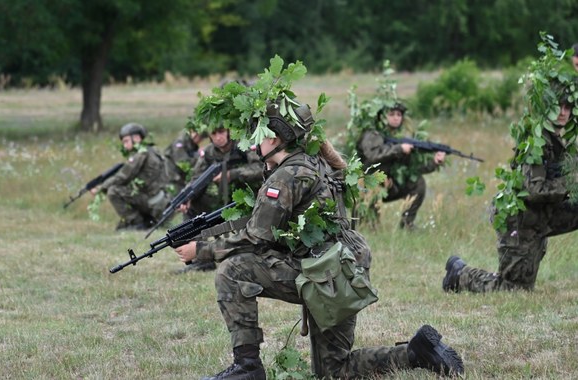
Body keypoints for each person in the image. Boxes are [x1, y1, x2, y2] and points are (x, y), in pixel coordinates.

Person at [174, 100, 464, 379]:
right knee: (334, 370)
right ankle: (417, 353)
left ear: (276, 139)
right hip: (340, 268)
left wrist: (201, 251)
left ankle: (247, 367)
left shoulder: (287, 176)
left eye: (261, 134)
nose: (255, 141)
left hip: (325, 273)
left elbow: (256, 236)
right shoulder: (316, 162)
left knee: (231, 271)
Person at [443, 80, 578, 294]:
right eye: (557, 106)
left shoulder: (563, 139)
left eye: (567, 107)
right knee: (514, 289)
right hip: (518, 220)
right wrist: (572, 183)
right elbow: (534, 190)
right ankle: (460, 275)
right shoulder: (535, 141)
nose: (563, 112)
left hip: (541, 217)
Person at [176, 126, 263, 272]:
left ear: (229, 131)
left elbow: (261, 167)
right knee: (192, 207)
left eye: (221, 132)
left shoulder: (243, 145)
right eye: (214, 133)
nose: (218, 137)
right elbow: (197, 178)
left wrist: (233, 174)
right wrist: (188, 197)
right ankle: (201, 259)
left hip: (247, 199)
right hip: (221, 199)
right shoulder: (209, 152)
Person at [356, 103, 446, 229]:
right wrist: (399, 149)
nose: (396, 117)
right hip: (367, 185)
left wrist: (435, 162)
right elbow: (373, 155)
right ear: (382, 117)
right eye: (391, 114)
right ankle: (367, 225)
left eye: (399, 114)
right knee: (369, 229)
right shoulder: (372, 134)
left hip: (389, 186)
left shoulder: (399, 138)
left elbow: (413, 168)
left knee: (418, 183)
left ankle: (407, 224)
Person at [90, 123, 170, 231]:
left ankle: (138, 222)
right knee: (120, 227)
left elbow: (122, 177)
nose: (124, 145)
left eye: (126, 141)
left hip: (151, 202)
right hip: (160, 200)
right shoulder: (153, 150)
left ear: (136, 138)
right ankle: (141, 220)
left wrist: (101, 188)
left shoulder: (141, 154)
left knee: (113, 191)